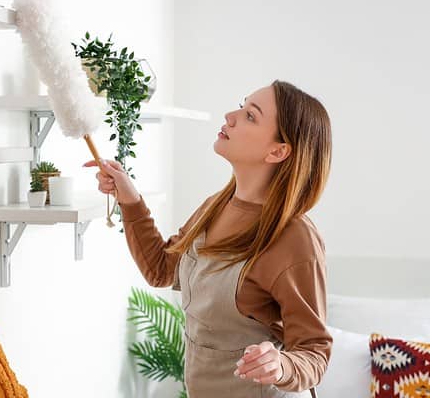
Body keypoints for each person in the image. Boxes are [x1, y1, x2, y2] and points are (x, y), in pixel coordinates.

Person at [84, 80, 332, 397]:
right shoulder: (216, 206)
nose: (230, 116)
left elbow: (314, 350)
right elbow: (161, 269)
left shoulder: (294, 237)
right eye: (242, 106)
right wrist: (129, 198)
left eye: (251, 116)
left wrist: (281, 365)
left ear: (278, 150)